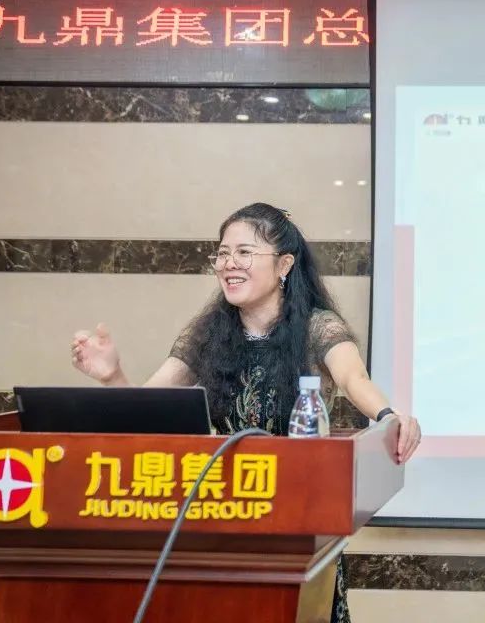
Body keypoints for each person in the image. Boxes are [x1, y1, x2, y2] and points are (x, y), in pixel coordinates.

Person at [70, 202, 421, 623]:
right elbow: (148, 408)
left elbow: (353, 377)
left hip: (298, 517)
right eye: (222, 253)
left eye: (244, 253)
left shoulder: (317, 326)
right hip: (224, 518)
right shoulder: (209, 333)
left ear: (284, 264)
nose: (228, 264)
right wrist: (112, 376)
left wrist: (388, 415)